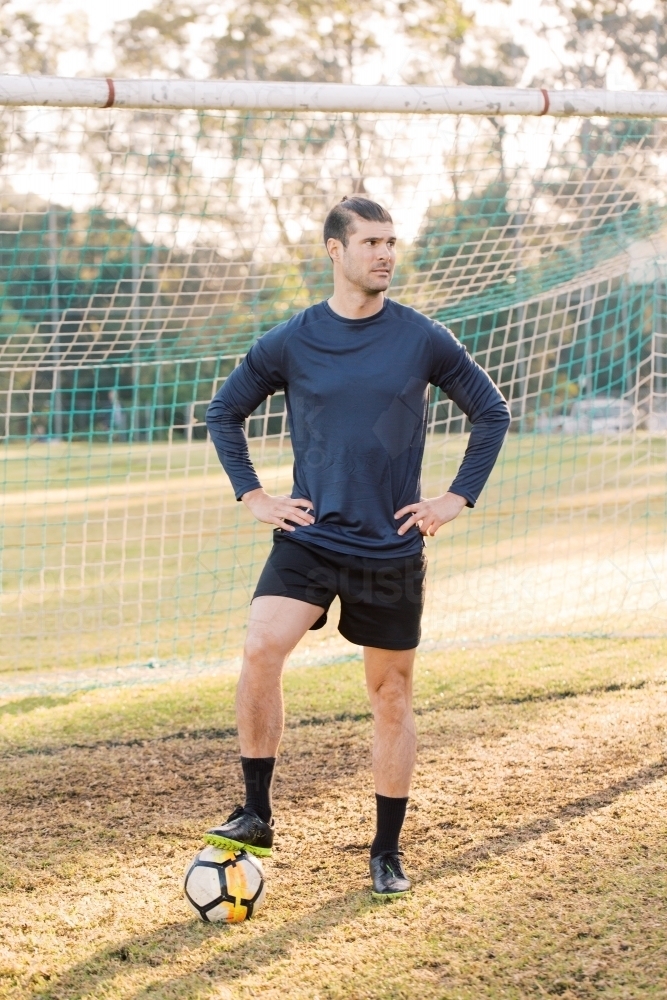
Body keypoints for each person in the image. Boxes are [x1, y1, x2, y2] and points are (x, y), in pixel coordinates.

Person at [205, 196, 510, 900]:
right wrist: (253, 496)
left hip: (392, 546)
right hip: (309, 535)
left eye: (391, 242)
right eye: (371, 242)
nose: (385, 254)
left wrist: (455, 497)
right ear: (334, 252)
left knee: (390, 696)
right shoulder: (293, 339)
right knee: (260, 647)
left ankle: (385, 850)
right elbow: (225, 411)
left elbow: (489, 411)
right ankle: (255, 810)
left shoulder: (422, 337)